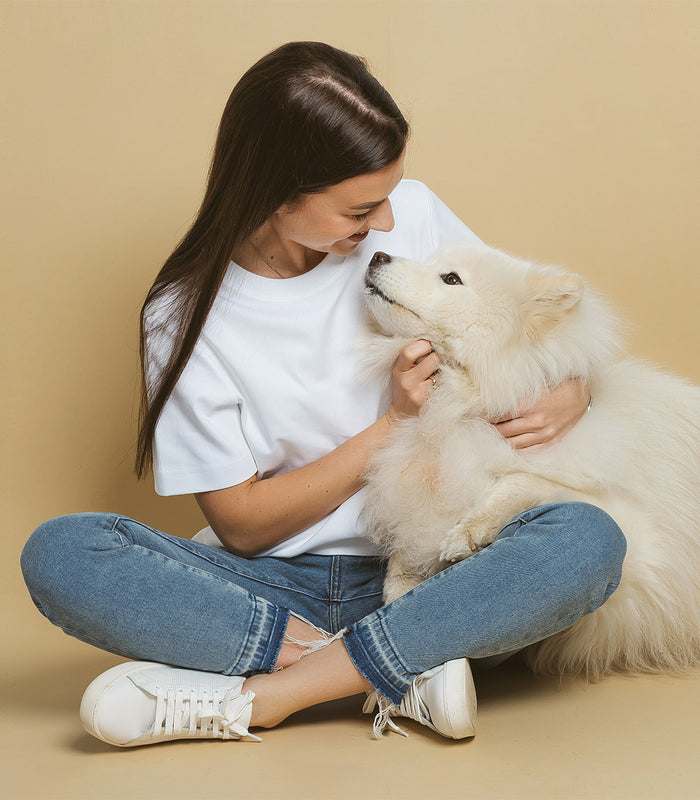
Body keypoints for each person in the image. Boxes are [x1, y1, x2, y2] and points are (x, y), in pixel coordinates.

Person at [20, 41, 626, 747]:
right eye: (360, 211)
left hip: (441, 570)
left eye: (389, 199)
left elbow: (514, 320)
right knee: (63, 552)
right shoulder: (182, 316)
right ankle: (398, 667)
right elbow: (244, 524)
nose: (389, 226)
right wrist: (391, 423)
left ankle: (272, 696)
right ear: (277, 196)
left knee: (587, 541)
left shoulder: (414, 212)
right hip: (273, 588)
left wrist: (576, 388)